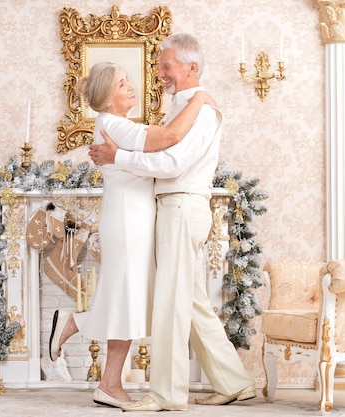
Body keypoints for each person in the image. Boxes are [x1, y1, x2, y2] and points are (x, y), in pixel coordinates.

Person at [88, 33, 256, 412]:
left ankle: (166, 393)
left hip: (181, 208)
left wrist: (118, 159)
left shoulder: (203, 111)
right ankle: (234, 382)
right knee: (192, 302)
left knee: (169, 305)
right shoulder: (182, 109)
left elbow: (172, 163)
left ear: (190, 67)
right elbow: (163, 146)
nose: (159, 73)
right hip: (175, 208)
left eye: (166, 66)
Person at [49, 61, 216, 409]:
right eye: (122, 84)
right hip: (128, 220)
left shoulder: (118, 125)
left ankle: (107, 381)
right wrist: (199, 99)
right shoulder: (113, 125)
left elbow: (160, 143)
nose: (131, 87)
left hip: (133, 218)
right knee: (126, 298)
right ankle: (80, 334)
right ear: (108, 98)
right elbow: (169, 138)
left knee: (127, 298)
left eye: (127, 81)